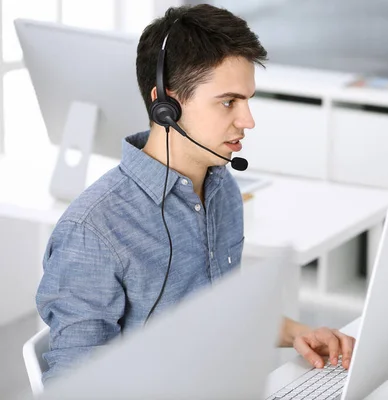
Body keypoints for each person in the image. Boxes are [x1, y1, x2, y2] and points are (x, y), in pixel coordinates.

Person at [36, 3, 356, 384]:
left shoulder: (220, 189)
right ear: (166, 105)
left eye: (248, 100)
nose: (248, 121)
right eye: (228, 102)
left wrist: (297, 333)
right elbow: (76, 388)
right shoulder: (92, 232)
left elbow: (220, 311)